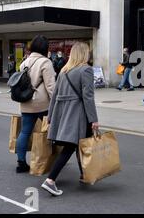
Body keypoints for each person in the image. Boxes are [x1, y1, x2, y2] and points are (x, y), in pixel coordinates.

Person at [42, 42, 99, 196]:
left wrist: (51, 116)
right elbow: (88, 97)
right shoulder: (86, 70)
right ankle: (50, 180)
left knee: (80, 144)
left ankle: (84, 174)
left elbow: (54, 96)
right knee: (70, 146)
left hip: (63, 114)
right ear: (84, 54)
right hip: (78, 114)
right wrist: (94, 119)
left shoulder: (64, 71)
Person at [15, 36, 56, 173]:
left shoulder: (24, 62)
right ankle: (51, 158)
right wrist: (56, 102)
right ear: (45, 48)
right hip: (43, 104)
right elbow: (51, 86)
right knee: (51, 130)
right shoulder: (46, 62)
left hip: (26, 102)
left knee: (25, 132)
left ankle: (21, 163)